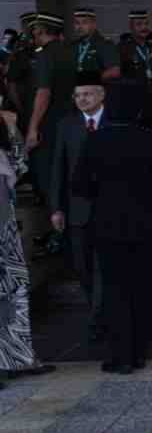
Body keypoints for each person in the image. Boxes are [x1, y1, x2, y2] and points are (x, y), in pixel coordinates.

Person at [72, 81, 152, 375]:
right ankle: (139, 352)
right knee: (141, 289)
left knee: (114, 289)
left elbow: (80, 185)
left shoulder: (96, 140)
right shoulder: (150, 140)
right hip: (144, 223)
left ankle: (120, 355)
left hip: (107, 223)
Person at [50, 71, 107, 342]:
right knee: (83, 266)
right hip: (77, 209)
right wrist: (56, 208)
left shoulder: (115, 122)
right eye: (77, 95)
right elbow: (58, 168)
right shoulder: (67, 125)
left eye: (87, 94)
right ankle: (98, 310)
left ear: (101, 95)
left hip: (110, 208)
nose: (82, 99)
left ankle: (98, 318)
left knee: (103, 265)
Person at [0, 107, 57, 382]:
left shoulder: (5, 120)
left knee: (12, 288)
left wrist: (11, 130)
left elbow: (19, 166)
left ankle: (17, 357)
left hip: (4, 217)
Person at [26, 13, 77, 219]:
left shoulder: (45, 54)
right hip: (68, 120)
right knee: (64, 175)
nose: (33, 32)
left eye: (35, 29)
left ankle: (57, 231)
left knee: (48, 176)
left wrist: (32, 128)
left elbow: (43, 93)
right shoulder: (69, 52)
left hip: (49, 124)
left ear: (41, 30)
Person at [120, 11, 152, 125]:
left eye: (146, 24)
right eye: (139, 24)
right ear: (131, 27)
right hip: (133, 103)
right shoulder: (123, 48)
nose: (144, 28)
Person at [69, 9, 121, 80]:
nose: (80, 27)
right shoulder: (73, 45)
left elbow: (115, 71)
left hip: (96, 88)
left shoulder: (105, 44)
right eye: (77, 23)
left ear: (93, 24)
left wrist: (91, 79)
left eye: (84, 23)